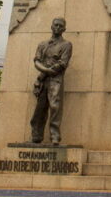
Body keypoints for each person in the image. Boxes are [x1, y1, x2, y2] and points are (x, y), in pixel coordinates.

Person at [30, 17, 73, 145]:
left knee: (55, 107)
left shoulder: (66, 45)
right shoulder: (43, 44)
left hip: (56, 80)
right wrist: (45, 73)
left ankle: (55, 136)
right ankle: (36, 135)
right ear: (51, 26)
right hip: (43, 80)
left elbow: (62, 63)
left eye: (60, 26)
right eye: (56, 25)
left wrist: (47, 72)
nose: (58, 28)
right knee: (40, 108)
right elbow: (37, 61)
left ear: (64, 29)